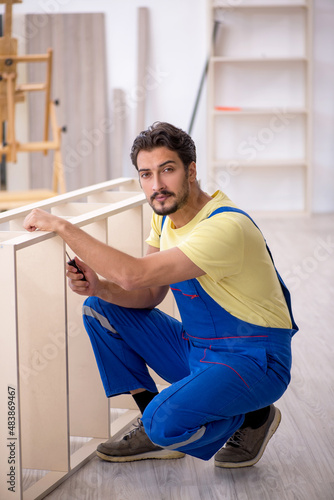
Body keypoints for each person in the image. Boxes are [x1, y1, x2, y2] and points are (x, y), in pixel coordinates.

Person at [23, 122, 298, 468]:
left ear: (191, 171)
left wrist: (62, 226)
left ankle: (252, 417)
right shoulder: (165, 219)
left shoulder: (225, 227)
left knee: (162, 423)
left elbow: (133, 274)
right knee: (99, 307)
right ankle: (160, 427)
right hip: (199, 348)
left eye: (167, 170)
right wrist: (100, 287)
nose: (156, 186)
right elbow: (149, 292)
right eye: (146, 174)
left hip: (254, 358)